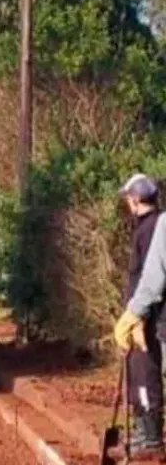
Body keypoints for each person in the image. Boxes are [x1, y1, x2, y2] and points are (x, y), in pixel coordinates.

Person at [114, 174, 166, 453]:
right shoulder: (151, 226)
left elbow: (151, 278)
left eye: (127, 197)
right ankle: (143, 430)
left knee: (144, 372)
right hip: (146, 313)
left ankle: (150, 434)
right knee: (140, 372)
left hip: (148, 316)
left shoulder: (152, 229)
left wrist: (137, 316)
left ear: (135, 198)